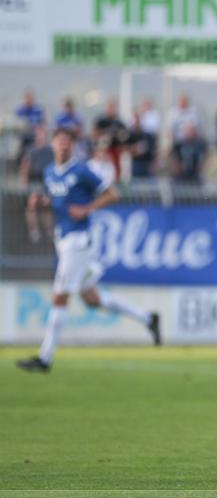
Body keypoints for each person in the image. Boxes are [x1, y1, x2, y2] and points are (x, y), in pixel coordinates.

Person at [16, 129, 160, 373]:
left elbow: (112, 194)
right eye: (59, 142)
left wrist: (87, 209)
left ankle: (45, 358)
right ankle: (148, 319)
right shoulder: (50, 172)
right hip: (62, 240)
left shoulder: (81, 171)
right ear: (53, 145)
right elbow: (58, 200)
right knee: (91, 298)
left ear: (71, 146)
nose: (63, 146)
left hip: (78, 242)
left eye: (67, 142)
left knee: (59, 296)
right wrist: (42, 203)